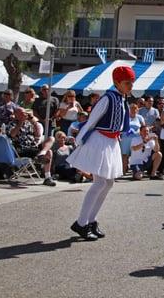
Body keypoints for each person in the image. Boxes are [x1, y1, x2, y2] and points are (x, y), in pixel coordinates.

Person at [68, 66, 135, 241]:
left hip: (111, 142)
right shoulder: (108, 98)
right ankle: (81, 223)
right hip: (100, 141)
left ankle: (91, 220)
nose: (131, 86)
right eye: (127, 83)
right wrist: (79, 140)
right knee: (99, 183)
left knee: (108, 183)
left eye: (131, 82)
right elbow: (92, 120)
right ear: (117, 82)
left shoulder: (122, 99)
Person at [8, 107, 56, 186]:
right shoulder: (12, 123)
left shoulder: (29, 123)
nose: (25, 115)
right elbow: (12, 134)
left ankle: (42, 157)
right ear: (16, 114)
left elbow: (37, 135)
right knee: (49, 152)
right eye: (22, 113)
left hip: (33, 147)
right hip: (21, 149)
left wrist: (34, 122)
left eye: (25, 113)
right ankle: (47, 176)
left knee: (51, 139)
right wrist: (20, 122)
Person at [121, 104, 145, 175]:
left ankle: (136, 170)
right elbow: (121, 127)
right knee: (125, 155)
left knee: (135, 154)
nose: (133, 110)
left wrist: (137, 132)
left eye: (135, 108)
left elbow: (143, 127)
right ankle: (123, 171)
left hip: (136, 139)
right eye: (131, 108)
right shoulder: (125, 117)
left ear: (137, 109)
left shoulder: (140, 117)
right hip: (125, 139)